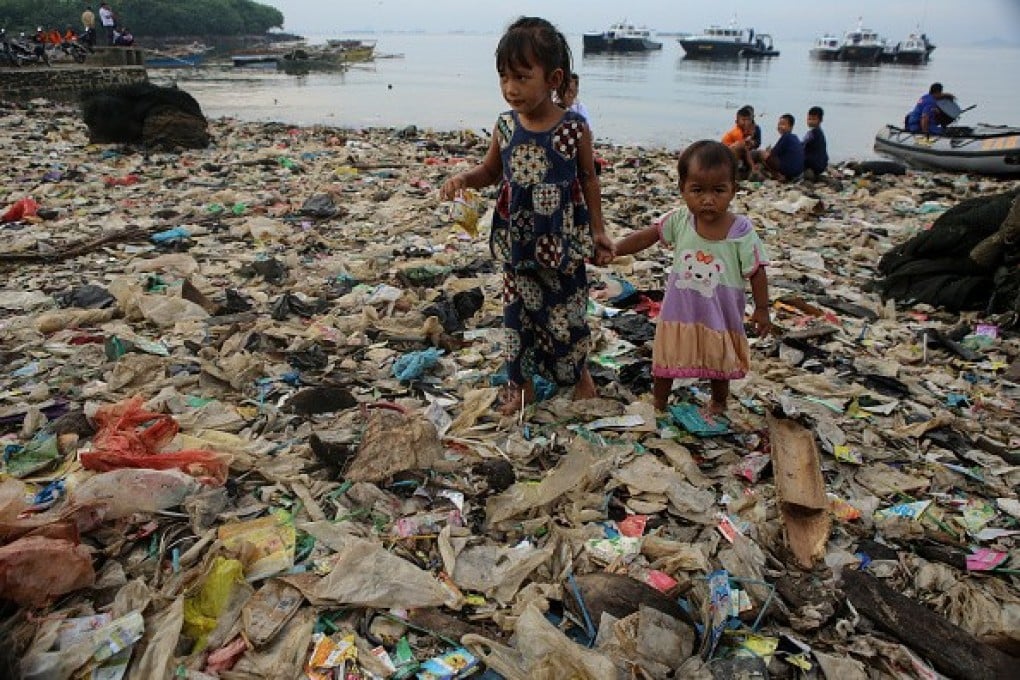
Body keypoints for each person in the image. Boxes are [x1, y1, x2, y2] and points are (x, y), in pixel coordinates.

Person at [439, 16, 614, 415]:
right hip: (518, 241)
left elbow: (589, 179)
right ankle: (520, 385)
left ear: (553, 78)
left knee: (568, 312)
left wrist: (598, 232)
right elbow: (490, 172)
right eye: (503, 77)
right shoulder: (505, 125)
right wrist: (463, 178)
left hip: (562, 239)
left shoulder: (574, 128)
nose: (510, 89)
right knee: (517, 316)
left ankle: (579, 373)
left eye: (521, 77)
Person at [612, 140, 771, 414]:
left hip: (719, 314)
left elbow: (757, 271)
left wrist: (762, 308)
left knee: (718, 361)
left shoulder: (741, 231)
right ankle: (659, 402)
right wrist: (614, 249)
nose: (708, 199)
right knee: (667, 357)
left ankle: (719, 401)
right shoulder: (680, 221)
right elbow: (646, 237)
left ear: (734, 189)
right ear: (682, 190)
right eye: (697, 190)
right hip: (680, 311)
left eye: (718, 190)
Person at [721, 105, 758, 176]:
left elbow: (753, 144)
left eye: (748, 120)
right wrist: (752, 166)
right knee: (740, 146)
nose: (746, 122)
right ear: (737, 121)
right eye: (743, 120)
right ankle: (733, 173)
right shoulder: (737, 132)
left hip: (731, 153)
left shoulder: (747, 130)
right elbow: (745, 149)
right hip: (724, 154)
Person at [801, 106, 828, 178]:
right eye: (809, 119)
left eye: (814, 119)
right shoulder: (819, 132)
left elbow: (801, 147)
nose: (811, 122)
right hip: (821, 165)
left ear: (820, 120)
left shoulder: (813, 133)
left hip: (814, 164)